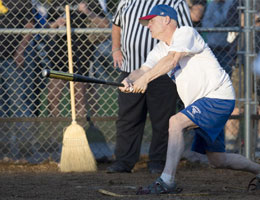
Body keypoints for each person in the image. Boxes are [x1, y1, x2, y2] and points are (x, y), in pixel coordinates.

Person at [118, 4, 260, 194]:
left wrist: (145, 79)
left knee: (175, 122)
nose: (148, 25)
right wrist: (129, 79)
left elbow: (172, 60)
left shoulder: (185, 33)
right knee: (218, 159)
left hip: (217, 96)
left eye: (151, 21)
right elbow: (142, 70)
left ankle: (167, 180)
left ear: (166, 19)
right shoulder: (159, 49)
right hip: (202, 103)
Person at [107, 0, 192, 174]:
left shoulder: (175, 2)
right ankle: (124, 161)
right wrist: (116, 48)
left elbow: (183, 32)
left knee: (162, 119)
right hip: (132, 69)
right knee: (128, 117)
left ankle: (158, 161)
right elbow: (117, 25)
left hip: (163, 72)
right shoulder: (126, 1)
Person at [0, 0, 34, 117]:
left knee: (17, 101)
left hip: (12, 59)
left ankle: (24, 133)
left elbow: (29, 27)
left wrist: (20, 51)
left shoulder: (20, 2)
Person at [201, 0, 238, 78]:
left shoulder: (231, 3)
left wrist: (215, 22)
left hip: (227, 49)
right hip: (212, 47)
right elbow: (205, 23)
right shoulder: (212, 4)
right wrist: (219, 24)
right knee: (213, 74)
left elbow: (228, 17)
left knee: (227, 75)